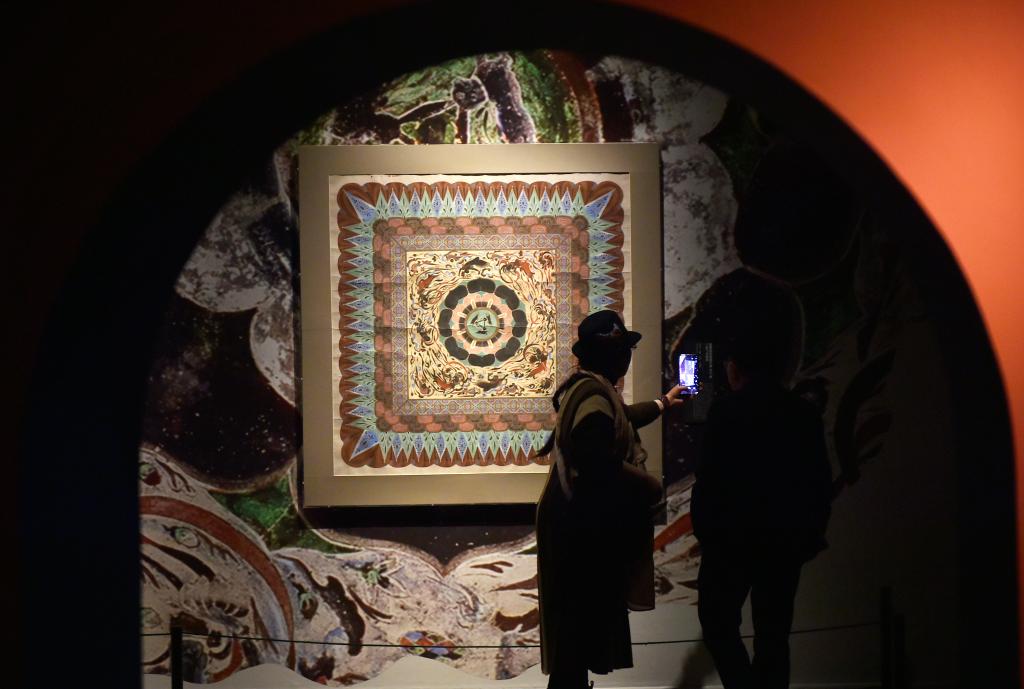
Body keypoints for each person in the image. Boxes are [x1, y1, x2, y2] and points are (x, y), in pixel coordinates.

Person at [535, 310, 687, 689]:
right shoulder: (593, 396)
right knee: (576, 637)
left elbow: (620, 417)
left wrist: (662, 403)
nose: (628, 359)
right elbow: (596, 458)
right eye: (625, 351)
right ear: (615, 355)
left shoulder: (590, 389)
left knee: (576, 637)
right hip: (580, 536)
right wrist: (648, 484)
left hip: (573, 528)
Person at [692, 335, 832, 689]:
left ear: (735, 368)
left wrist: (705, 533)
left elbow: (708, 479)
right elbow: (818, 481)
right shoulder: (803, 414)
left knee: (718, 624)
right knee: (773, 636)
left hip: (730, 542)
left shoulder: (726, 411)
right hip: (783, 542)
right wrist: (811, 535)